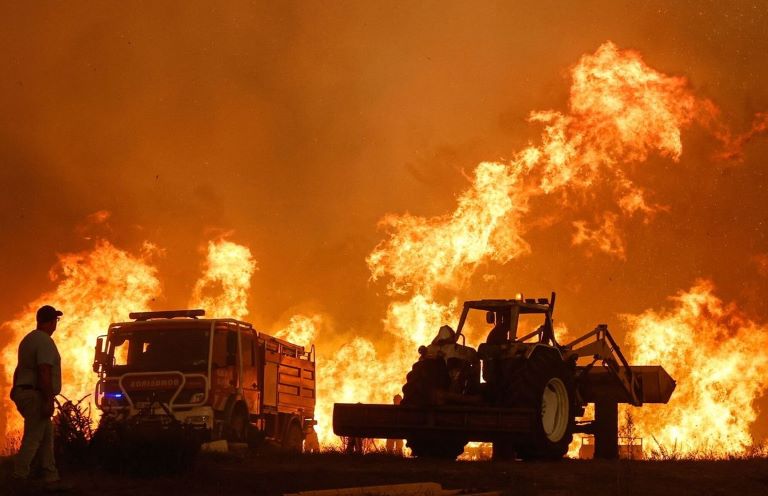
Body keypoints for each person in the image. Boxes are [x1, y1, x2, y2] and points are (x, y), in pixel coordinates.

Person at [10, 305, 66, 489]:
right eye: (55, 321)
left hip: (24, 391)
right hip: (36, 395)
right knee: (34, 437)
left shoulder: (28, 340)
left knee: (46, 435)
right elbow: (44, 370)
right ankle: (19, 478)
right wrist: (48, 400)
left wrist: (14, 388)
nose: (55, 325)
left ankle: (51, 477)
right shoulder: (44, 341)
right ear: (51, 322)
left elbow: (19, 368)